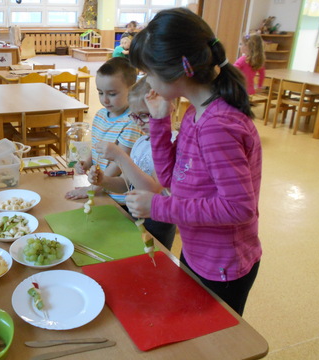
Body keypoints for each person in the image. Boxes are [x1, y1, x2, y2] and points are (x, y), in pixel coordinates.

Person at [126, 8, 262, 316]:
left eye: (149, 72)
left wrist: (158, 207)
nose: (146, 81)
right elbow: (173, 179)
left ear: (178, 70)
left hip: (223, 264)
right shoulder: (194, 112)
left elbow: (239, 208)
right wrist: (160, 121)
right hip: (199, 250)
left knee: (215, 342)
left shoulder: (217, 125)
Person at [87, 76, 176, 250]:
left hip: (158, 220)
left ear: (169, 108)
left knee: (155, 263)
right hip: (134, 213)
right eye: (134, 116)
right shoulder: (142, 142)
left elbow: (153, 188)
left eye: (144, 115)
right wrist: (103, 180)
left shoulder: (171, 144)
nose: (138, 122)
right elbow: (127, 184)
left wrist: (121, 157)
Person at [65, 57, 142, 202]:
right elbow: (96, 147)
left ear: (132, 90)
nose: (105, 100)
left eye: (112, 94)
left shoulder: (132, 121)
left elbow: (119, 163)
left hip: (119, 197)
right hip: (100, 188)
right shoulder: (100, 115)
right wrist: (87, 162)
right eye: (100, 93)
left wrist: (91, 189)